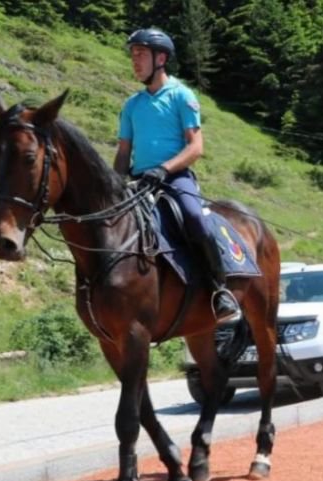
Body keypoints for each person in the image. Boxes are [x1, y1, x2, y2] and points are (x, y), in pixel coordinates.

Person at [113, 27, 239, 323]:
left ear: (161, 58)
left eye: (141, 54)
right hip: (139, 182)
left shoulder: (182, 96)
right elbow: (122, 153)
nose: (135, 61)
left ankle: (219, 289)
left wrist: (164, 168)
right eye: (133, 55)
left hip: (175, 178)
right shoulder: (131, 105)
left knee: (194, 216)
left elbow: (196, 147)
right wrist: (114, 184)